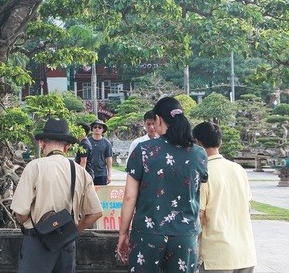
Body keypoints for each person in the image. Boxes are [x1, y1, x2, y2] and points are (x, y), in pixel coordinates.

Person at [117, 96, 208, 272]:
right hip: (185, 234)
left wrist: (123, 233)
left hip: (148, 234)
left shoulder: (143, 151)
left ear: (158, 119)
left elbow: (129, 197)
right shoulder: (199, 154)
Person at [11, 118, 103, 273]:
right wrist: (75, 230)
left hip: (36, 241)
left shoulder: (34, 167)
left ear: (42, 143)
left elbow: (20, 213)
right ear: (67, 147)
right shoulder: (80, 172)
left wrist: (36, 224)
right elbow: (96, 213)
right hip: (65, 244)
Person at [192, 122, 256, 273]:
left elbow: (199, 215)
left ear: (197, 143)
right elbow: (247, 207)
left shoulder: (202, 173)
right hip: (245, 253)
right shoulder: (238, 170)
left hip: (217, 256)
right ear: (219, 142)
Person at [88, 119, 113, 185]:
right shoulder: (87, 142)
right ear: (92, 129)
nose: (97, 129)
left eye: (99, 127)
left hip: (101, 174)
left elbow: (109, 159)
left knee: (101, 194)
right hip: (88, 173)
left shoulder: (106, 143)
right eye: (95, 127)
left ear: (103, 130)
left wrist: (109, 174)